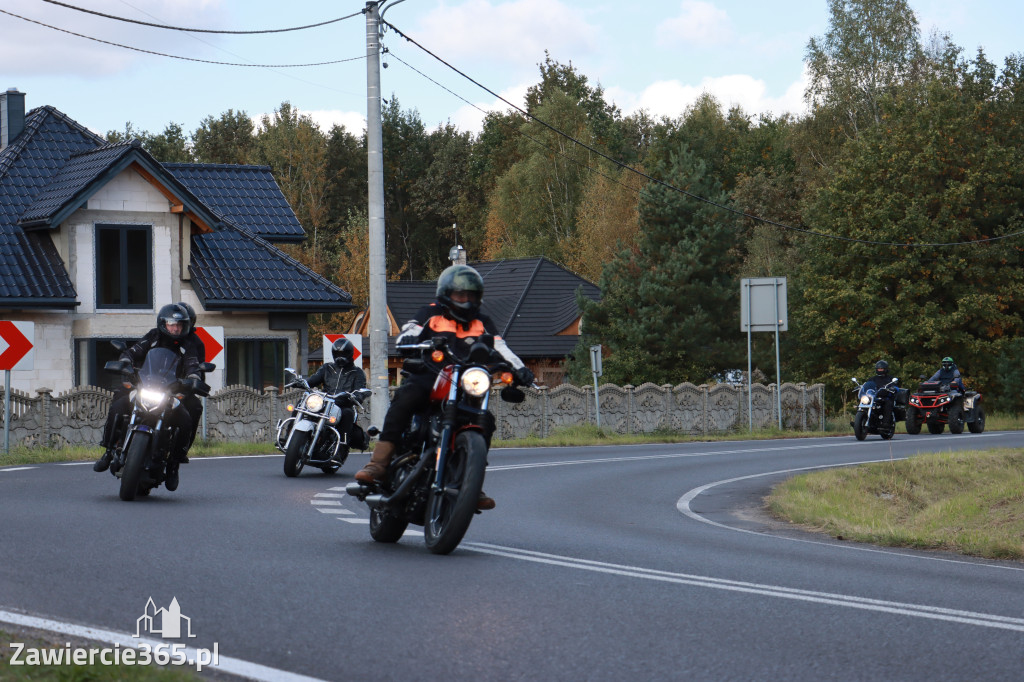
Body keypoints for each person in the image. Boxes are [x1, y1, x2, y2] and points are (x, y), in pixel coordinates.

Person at [353, 264, 534, 510]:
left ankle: (470, 480)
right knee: (406, 398)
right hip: (431, 375)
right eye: (461, 295)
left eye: (471, 295)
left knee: (485, 420)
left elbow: (501, 348)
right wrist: (406, 340)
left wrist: (519, 369)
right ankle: (379, 463)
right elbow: (410, 330)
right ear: (447, 294)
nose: (466, 300)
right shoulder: (431, 313)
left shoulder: (483, 322)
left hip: (465, 383)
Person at [93, 303, 201, 492]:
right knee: (119, 402)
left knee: (186, 416)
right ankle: (109, 450)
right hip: (145, 384)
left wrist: (193, 378)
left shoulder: (190, 344)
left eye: (179, 325)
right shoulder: (153, 336)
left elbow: (193, 364)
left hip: (172, 389)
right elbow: (135, 350)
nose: (175, 328)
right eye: (171, 324)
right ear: (163, 324)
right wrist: (126, 361)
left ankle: (174, 463)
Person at [306, 336, 367, 452]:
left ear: (350, 354)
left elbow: (360, 389)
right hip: (325, 402)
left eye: (344, 353)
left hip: (344, 404)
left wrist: (358, 396)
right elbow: (314, 379)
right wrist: (302, 382)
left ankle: (340, 448)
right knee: (303, 403)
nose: (340, 357)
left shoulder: (357, 373)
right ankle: (290, 432)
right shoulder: (327, 368)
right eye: (337, 353)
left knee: (348, 414)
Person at [176, 301, 206, 453]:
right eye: (175, 322)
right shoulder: (159, 336)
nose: (178, 327)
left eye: (182, 323)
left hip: (181, 387)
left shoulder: (195, 343)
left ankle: (183, 448)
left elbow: (199, 367)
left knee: (195, 407)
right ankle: (115, 445)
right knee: (124, 397)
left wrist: (194, 382)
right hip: (155, 384)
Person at [865, 359, 896, 427]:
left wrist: (892, 387)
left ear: (885, 369)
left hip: (885, 397)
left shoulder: (890, 378)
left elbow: (895, 386)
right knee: (864, 402)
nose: (880, 370)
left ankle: (886, 423)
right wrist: (861, 387)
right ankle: (859, 421)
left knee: (888, 404)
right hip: (874, 397)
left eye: (881, 368)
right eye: (878, 368)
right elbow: (867, 385)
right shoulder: (872, 378)